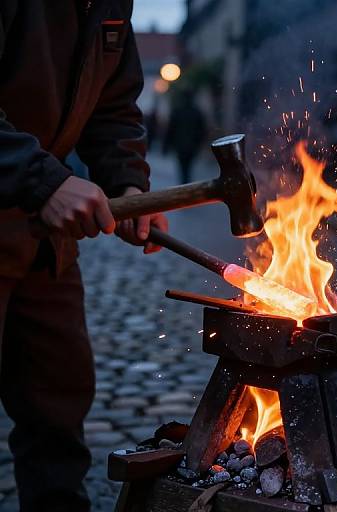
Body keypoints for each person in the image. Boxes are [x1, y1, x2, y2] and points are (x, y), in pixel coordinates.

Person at [0, 1, 168, 510]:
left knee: (58, 402)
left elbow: (113, 106)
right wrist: (42, 179)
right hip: (21, 195)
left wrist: (130, 185)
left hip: (45, 243)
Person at [163, 91, 206, 183]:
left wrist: (166, 145)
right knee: (187, 168)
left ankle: (184, 183)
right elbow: (202, 130)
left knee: (183, 168)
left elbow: (171, 130)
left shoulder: (177, 111)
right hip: (191, 146)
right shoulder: (196, 112)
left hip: (180, 145)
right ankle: (186, 183)